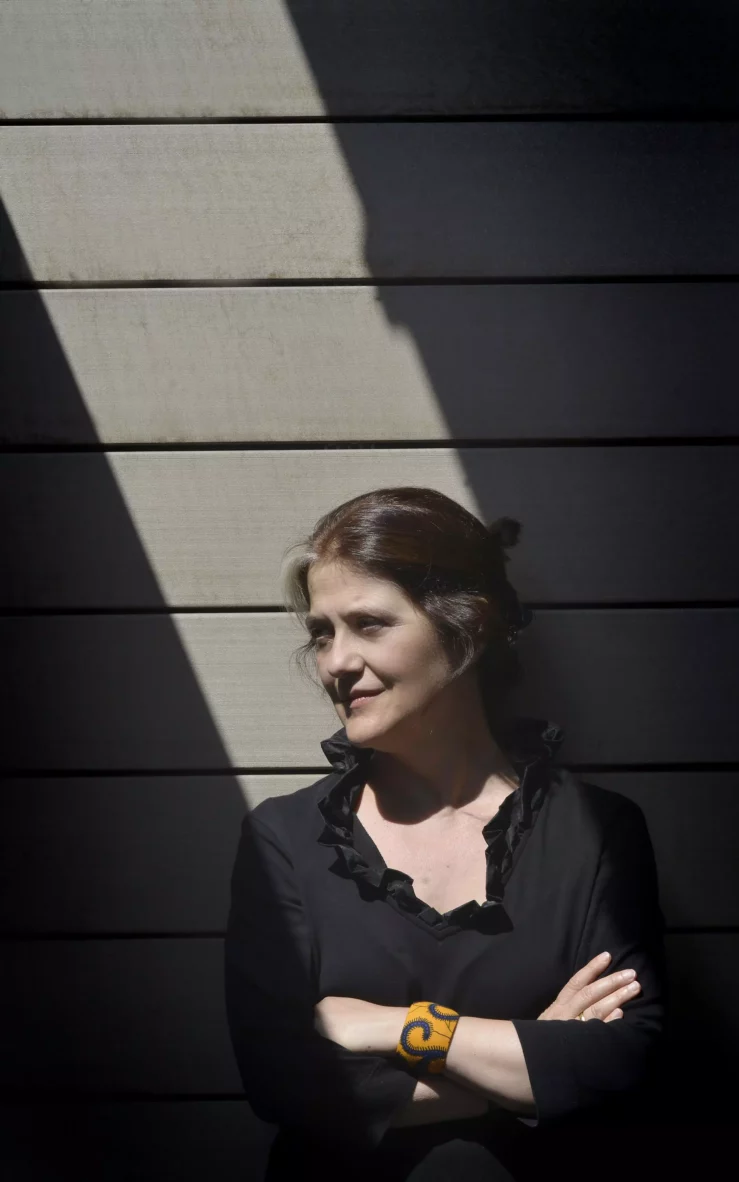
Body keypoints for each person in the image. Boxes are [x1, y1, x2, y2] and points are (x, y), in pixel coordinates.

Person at [224, 486, 668, 1181]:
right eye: (322, 633)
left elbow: (621, 1059)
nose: (335, 662)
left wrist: (393, 1028)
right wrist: (531, 1061)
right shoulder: (285, 839)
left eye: (369, 624)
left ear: (469, 627)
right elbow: (285, 1082)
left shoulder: (594, 833)